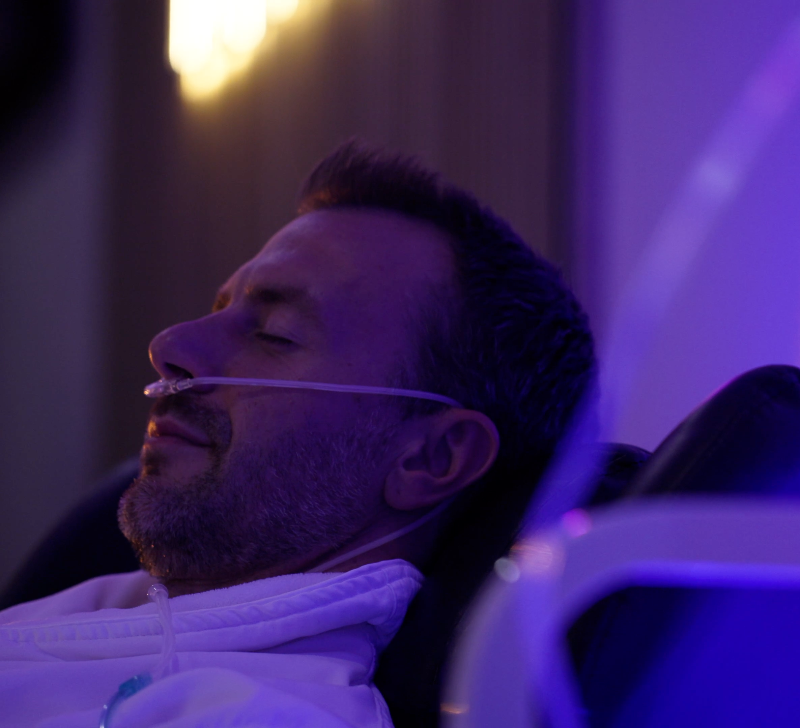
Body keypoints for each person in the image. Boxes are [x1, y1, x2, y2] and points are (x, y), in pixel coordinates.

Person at [0, 141, 595, 727]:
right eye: (219, 308)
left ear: (431, 456)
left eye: (275, 333)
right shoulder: (93, 614)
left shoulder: (266, 715)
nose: (170, 345)